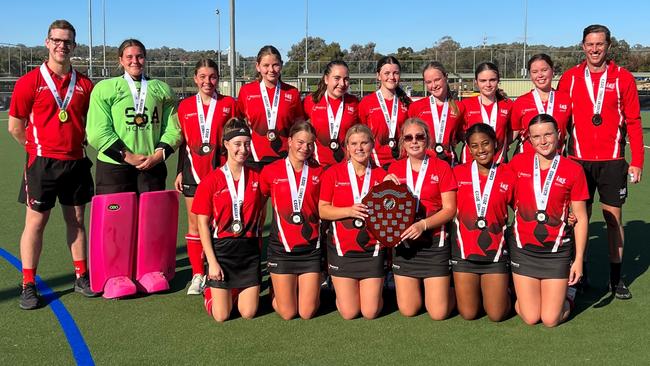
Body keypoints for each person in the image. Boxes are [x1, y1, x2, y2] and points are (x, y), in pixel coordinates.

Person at [8, 20, 96, 310]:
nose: (62, 45)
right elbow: (15, 126)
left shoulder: (84, 84)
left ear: (74, 45)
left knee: (77, 221)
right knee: (36, 223)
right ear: (47, 42)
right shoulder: (29, 82)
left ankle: (81, 276)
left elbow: (90, 125)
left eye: (67, 41)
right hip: (42, 164)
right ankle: (28, 284)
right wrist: (36, 150)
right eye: (57, 40)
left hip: (76, 162)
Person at [557, 24, 644, 299]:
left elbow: (633, 121)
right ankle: (576, 274)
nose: (595, 49)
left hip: (612, 161)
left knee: (613, 220)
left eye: (600, 44)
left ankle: (616, 280)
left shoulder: (623, 78)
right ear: (583, 46)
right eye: (590, 44)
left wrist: (637, 160)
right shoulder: (570, 78)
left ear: (608, 46)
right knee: (575, 219)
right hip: (577, 162)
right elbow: (561, 120)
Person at [507, 114, 589, 327]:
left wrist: (578, 259)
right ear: (529, 140)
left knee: (551, 319)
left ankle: (569, 293)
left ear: (559, 135)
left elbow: (580, 216)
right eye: (536, 136)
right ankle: (526, 293)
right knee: (531, 317)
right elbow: (503, 197)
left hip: (556, 252)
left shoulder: (573, 169)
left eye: (547, 134)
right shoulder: (517, 164)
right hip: (524, 250)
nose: (542, 141)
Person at [384, 118, 458, 320]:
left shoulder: (441, 167)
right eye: (409, 137)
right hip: (405, 244)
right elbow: (385, 209)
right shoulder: (394, 169)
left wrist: (423, 224)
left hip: (433, 242)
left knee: (438, 313)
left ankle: (453, 291)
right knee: (409, 310)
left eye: (419, 137)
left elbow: (450, 209)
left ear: (427, 140)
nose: (414, 141)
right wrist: (383, 190)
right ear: (402, 142)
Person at [192, 118, 265, 322]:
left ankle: (233, 291)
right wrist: (212, 262)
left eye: (247, 143)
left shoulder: (257, 178)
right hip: (222, 251)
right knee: (221, 316)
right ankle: (211, 288)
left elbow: (263, 211)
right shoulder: (210, 181)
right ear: (226, 144)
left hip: (248, 252)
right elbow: (202, 225)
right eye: (237, 144)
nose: (243, 149)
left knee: (248, 313)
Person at [87, 39, 181, 195]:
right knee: (117, 219)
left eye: (139, 56)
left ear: (145, 58)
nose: (135, 61)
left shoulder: (162, 89)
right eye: (129, 57)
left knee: (150, 219)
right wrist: (127, 156)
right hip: (114, 167)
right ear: (121, 60)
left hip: (151, 166)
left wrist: (157, 156)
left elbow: (173, 128)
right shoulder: (105, 88)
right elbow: (97, 130)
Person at [175, 59, 237, 295]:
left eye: (212, 76)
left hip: (221, 173)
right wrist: (180, 170)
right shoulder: (185, 106)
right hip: (193, 172)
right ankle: (197, 274)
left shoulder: (229, 104)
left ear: (218, 78)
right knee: (194, 225)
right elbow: (183, 142)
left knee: (220, 223)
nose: (207, 81)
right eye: (202, 76)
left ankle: (220, 268)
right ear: (195, 78)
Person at [318, 124, 387, 319]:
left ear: (372, 145)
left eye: (364, 143)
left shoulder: (383, 175)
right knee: (349, 313)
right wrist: (349, 210)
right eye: (354, 143)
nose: (359, 148)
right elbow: (323, 210)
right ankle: (338, 286)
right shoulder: (333, 173)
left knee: (370, 312)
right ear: (346, 147)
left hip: (373, 249)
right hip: (343, 250)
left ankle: (379, 283)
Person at [260, 122, 323, 320]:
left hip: (311, 249)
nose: (305, 148)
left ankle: (301, 289)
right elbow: (259, 203)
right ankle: (276, 287)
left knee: (307, 312)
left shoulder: (320, 172)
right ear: (289, 141)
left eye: (310, 144)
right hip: (281, 250)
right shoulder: (270, 171)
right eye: (300, 142)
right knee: (287, 313)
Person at [451, 123, 513, 321]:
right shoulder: (457, 173)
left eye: (485, 144)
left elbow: (526, 204)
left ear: (495, 144)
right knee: (469, 313)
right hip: (464, 253)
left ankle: (510, 290)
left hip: (495, 253)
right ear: (468, 149)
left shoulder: (509, 174)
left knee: (496, 315)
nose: (481, 150)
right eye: (475, 146)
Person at [236, 45, 304, 168]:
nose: (271, 70)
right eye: (266, 65)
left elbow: (299, 126)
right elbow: (238, 121)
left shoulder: (292, 92)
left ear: (281, 65)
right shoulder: (246, 91)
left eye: (275, 65)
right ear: (258, 67)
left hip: (285, 158)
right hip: (254, 157)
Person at [511, 54, 572, 154]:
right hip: (528, 161)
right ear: (530, 75)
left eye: (544, 70)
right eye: (535, 72)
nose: (540, 75)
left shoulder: (566, 99)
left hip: (556, 161)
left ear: (552, 71)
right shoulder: (520, 102)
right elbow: (513, 132)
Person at [303, 60, 359, 167]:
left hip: (347, 167)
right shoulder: (310, 101)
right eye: (337, 78)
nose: (342, 84)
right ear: (326, 79)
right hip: (317, 166)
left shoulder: (354, 102)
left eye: (346, 79)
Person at [359, 56, 411, 169]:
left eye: (396, 73)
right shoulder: (366, 103)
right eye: (387, 73)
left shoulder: (407, 103)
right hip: (374, 165)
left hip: (402, 163)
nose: (392, 77)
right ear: (378, 76)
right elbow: (361, 135)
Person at [408, 61, 464, 164]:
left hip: (449, 163)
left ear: (446, 77)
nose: (434, 85)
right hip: (423, 164)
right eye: (429, 82)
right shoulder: (415, 107)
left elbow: (462, 136)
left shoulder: (459, 107)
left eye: (437, 80)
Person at [460, 62, 512, 164]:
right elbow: (460, 132)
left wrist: (501, 143)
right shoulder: (465, 105)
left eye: (492, 80)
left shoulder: (508, 105)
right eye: (483, 81)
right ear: (476, 82)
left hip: (498, 160)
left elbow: (513, 130)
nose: (488, 85)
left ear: (498, 81)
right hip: (470, 162)